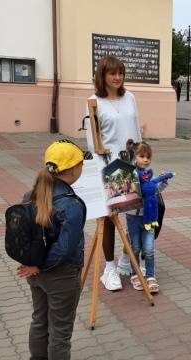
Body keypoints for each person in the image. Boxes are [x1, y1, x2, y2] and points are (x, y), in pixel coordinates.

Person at [16, 139, 87, 360]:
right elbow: (65, 249)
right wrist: (39, 266)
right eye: (81, 164)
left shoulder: (31, 195)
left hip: (34, 272)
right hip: (61, 275)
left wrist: (34, 266)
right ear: (73, 169)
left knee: (40, 320)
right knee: (61, 332)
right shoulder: (72, 205)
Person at [86, 56, 142, 291]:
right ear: (103, 76)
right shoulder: (93, 102)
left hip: (131, 165)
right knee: (109, 219)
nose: (117, 77)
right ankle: (108, 270)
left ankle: (125, 259)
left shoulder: (130, 97)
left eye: (120, 73)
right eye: (112, 73)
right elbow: (93, 141)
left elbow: (137, 131)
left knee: (137, 216)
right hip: (107, 167)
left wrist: (141, 160)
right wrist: (104, 169)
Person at [125, 141, 167, 293]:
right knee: (135, 247)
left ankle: (150, 276)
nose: (146, 159)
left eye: (148, 157)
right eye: (142, 156)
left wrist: (163, 183)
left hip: (149, 218)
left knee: (149, 249)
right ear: (134, 157)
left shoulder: (150, 174)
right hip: (133, 218)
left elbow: (155, 190)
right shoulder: (130, 174)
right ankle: (135, 273)